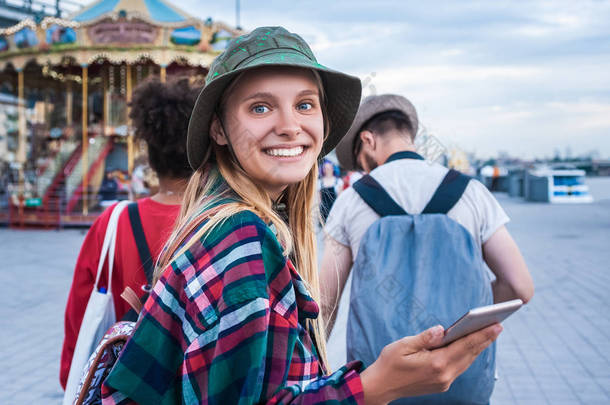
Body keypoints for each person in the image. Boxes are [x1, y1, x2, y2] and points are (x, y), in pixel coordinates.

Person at [101, 27, 502, 405]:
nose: (291, 127)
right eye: (260, 107)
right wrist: (377, 385)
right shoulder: (241, 238)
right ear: (218, 130)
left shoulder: (216, 223)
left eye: (305, 105)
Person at [321, 94, 534, 402]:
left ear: (368, 140)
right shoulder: (472, 192)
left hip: (380, 383)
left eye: (359, 160)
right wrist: (461, 323)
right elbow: (520, 287)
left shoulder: (351, 201)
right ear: (410, 135)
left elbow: (325, 303)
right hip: (461, 377)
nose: (363, 172)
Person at [60, 77, 200, 389]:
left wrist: (74, 377)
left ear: (149, 154)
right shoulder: (223, 223)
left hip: (125, 386)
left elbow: (79, 317)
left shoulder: (113, 222)